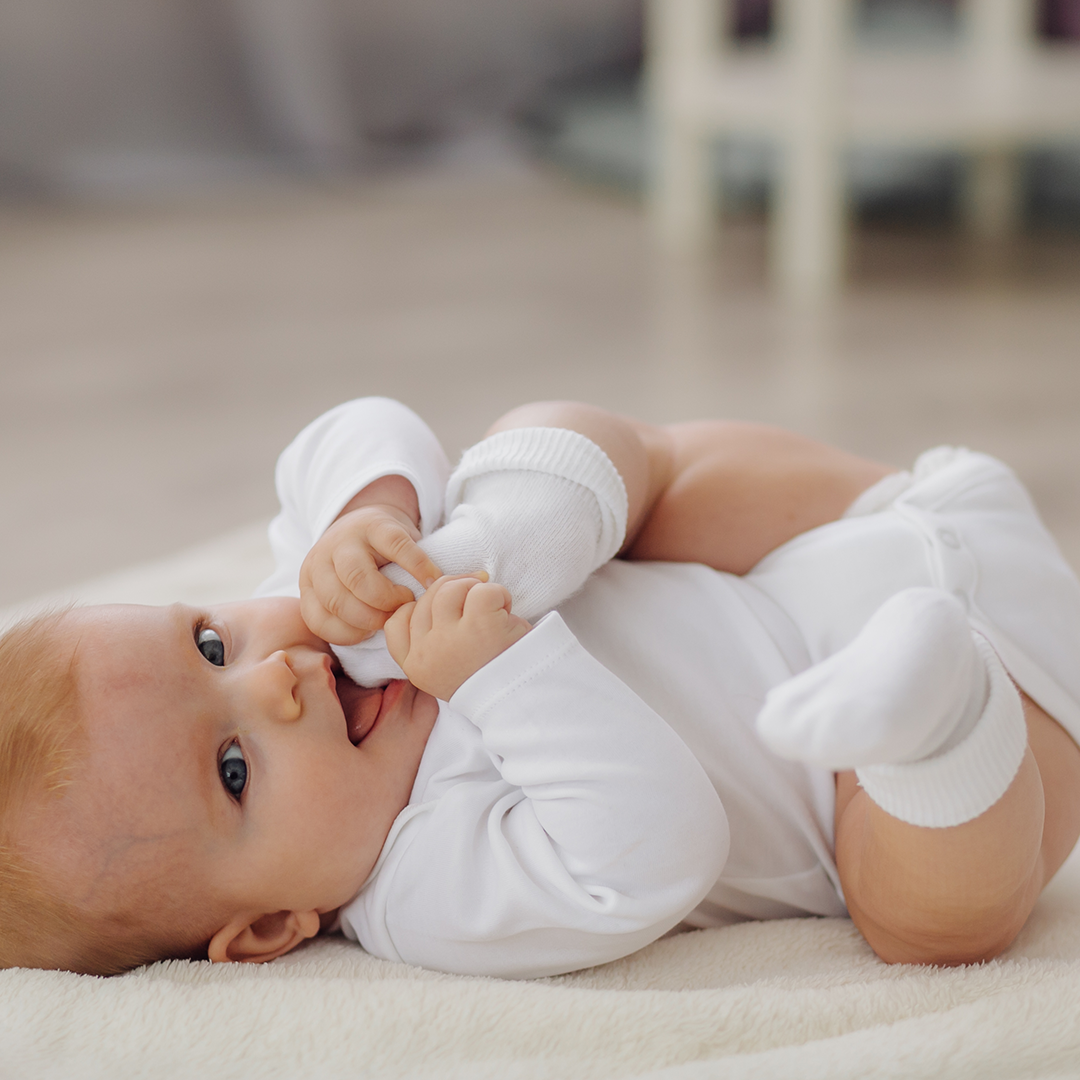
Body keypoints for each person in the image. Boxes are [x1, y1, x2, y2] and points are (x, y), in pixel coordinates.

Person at [1, 398, 1078, 977]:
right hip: (979, 743)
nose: (276, 677)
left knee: (565, 449)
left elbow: (357, 428)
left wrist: (370, 513)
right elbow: (658, 849)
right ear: (275, 927)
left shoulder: (318, 602)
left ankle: (533, 519)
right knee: (928, 921)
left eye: (205, 645)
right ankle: (936, 713)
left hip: (845, 532)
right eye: (234, 770)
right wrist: (500, 677)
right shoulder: (425, 891)